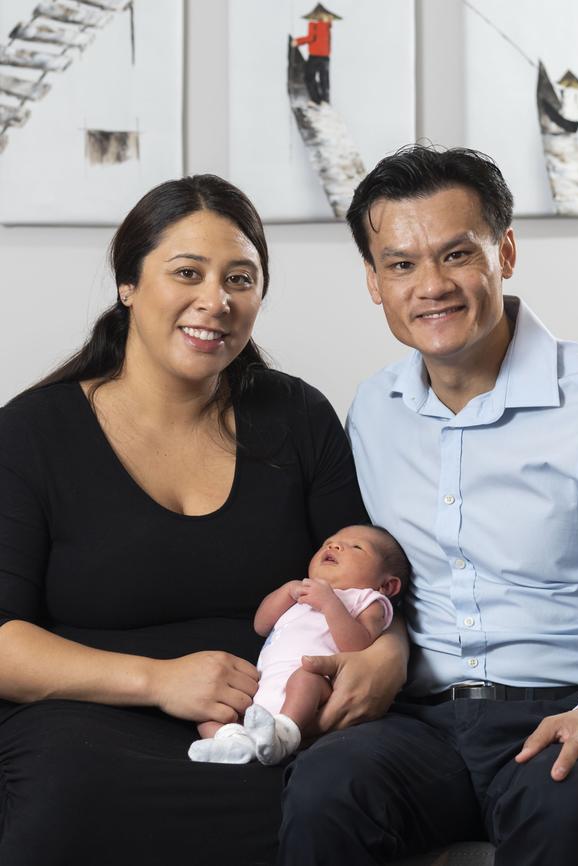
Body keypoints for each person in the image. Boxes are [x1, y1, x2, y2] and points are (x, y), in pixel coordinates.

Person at [0, 174, 409, 866]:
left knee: (326, 802)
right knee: (69, 797)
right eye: (187, 272)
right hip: (86, 728)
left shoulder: (298, 419)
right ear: (129, 283)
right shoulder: (34, 433)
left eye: (240, 279)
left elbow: (370, 575)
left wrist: (388, 658)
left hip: (272, 723)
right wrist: (158, 680)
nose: (215, 302)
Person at [278, 146, 578, 866]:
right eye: (401, 264)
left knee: (572, 803)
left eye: (456, 254)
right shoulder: (375, 411)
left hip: (571, 706)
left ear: (504, 252)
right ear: (373, 280)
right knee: (325, 788)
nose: (431, 287)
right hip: (422, 722)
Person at [188, 524, 409, 766]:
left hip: (316, 687)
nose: (334, 545)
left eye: (356, 547)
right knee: (208, 709)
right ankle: (233, 742)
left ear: (386, 586)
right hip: (261, 691)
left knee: (304, 678)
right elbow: (261, 625)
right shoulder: (301, 593)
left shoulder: (368, 600)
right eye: (330, 541)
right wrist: (287, 591)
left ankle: (284, 733)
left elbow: (358, 645)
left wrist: (330, 604)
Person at [291, 3, 342, 105]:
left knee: (309, 77)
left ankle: (315, 99)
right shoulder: (328, 27)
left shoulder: (314, 24)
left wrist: (297, 41)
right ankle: (325, 100)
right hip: (325, 57)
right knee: (324, 79)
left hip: (315, 56)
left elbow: (310, 38)